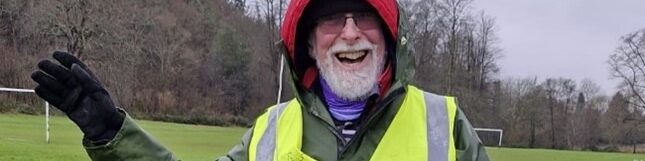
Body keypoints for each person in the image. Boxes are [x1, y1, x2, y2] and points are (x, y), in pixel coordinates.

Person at [31, 0, 489, 160]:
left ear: (389, 39)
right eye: (331, 19)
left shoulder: (444, 126)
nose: (350, 32)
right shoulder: (269, 133)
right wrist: (115, 137)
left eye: (365, 16)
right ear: (309, 45)